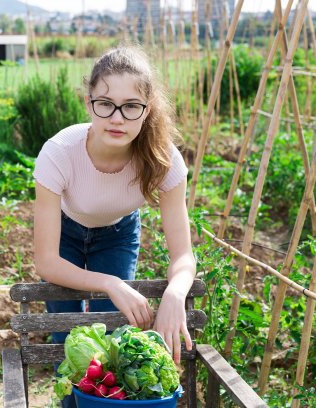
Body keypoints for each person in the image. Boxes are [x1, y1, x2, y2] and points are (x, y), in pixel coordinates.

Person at [33, 47, 196, 407]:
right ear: (89, 102)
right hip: (65, 233)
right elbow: (45, 261)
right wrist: (111, 283)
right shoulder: (59, 153)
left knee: (114, 334)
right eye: (105, 103)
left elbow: (183, 254)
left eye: (131, 106)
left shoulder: (163, 160)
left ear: (147, 109)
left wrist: (174, 294)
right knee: (69, 341)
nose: (117, 118)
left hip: (118, 234)